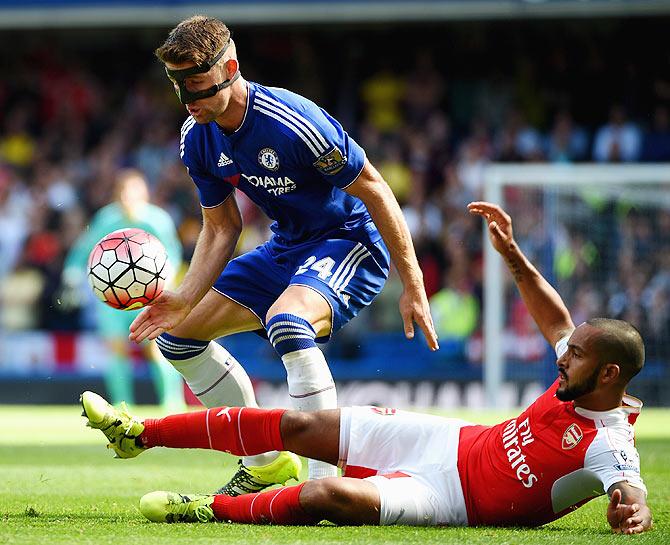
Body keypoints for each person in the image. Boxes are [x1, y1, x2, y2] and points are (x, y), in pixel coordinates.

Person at [81, 201, 652, 534]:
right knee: (302, 429)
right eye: (569, 349)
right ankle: (139, 434)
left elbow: (631, 491)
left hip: (455, 501)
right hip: (454, 440)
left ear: (608, 376)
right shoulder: (577, 370)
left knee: (324, 497)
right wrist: (512, 256)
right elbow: (555, 319)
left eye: (576, 356)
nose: (563, 356)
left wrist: (633, 513)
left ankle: (210, 509)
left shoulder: (609, 444)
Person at [128, 15, 438, 492]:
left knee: (287, 322)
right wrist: (185, 298)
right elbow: (222, 226)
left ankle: (322, 485)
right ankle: (267, 464)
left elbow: (376, 191)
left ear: (229, 66)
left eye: (198, 86)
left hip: (347, 240)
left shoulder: (293, 121)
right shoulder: (197, 136)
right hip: (287, 244)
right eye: (179, 88)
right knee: (178, 337)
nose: (190, 101)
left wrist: (413, 283)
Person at [62, 169, 185, 411]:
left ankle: (172, 403)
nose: (129, 198)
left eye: (134, 192)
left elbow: (173, 255)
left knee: (156, 350)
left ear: (145, 194)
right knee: (117, 351)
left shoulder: (157, 220)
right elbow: (84, 249)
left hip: (151, 297)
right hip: (113, 300)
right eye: (124, 193)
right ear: (118, 195)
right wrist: (72, 274)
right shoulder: (106, 219)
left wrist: (166, 285)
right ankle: (122, 406)